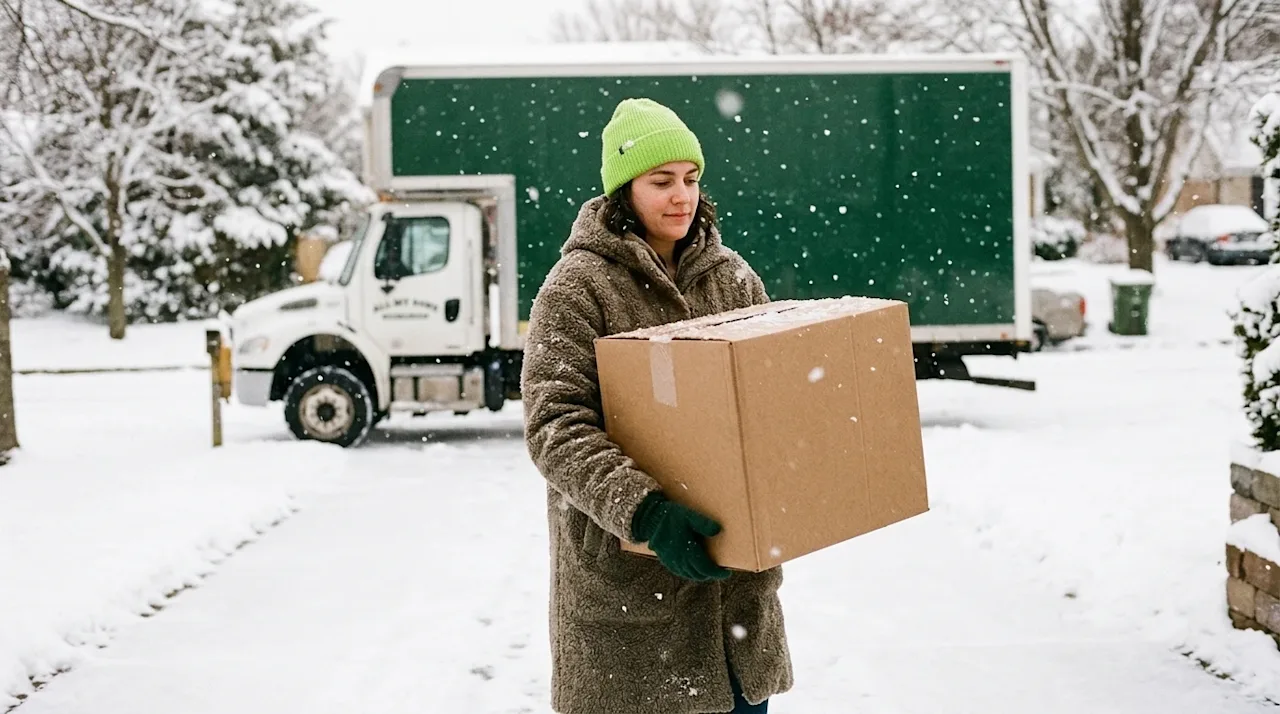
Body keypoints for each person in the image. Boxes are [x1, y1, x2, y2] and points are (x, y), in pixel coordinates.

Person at [521, 97, 793, 714]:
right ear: (624, 190)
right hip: (631, 603)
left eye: (691, 180)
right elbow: (555, 425)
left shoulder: (734, 279)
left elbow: (772, 404)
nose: (681, 197)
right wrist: (646, 512)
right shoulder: (577, 287)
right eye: (661, 181)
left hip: (735, 603)